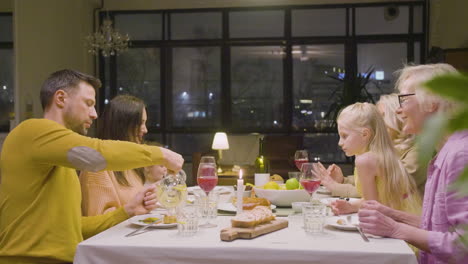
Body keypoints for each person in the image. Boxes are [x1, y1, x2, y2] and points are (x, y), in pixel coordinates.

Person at [0, 69, 183, 264]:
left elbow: (76, 227)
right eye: (88, 104)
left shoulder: (63, 161)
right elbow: (97, 152)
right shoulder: (31, 130)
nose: (94, 114)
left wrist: (127, 211)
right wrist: (160, 154)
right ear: (61, 98)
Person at [358, 64, 468, 263]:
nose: (399, 110)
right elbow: (438, 227)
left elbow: (463, 246)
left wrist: (394, 228)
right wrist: (392, 215)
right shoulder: (448, 151)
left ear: (431, 102)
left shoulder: (461, 154)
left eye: (404, 99)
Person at [320, 102, 421, 216]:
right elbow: (378, 200)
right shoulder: (377, 155)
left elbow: (372, 210)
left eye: (344, 136)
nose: (340, 143)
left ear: (365, 134)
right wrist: (351, 206)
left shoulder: (365, 161)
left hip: (402, 223)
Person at [80, 95, 163, 216]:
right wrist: (133, 210)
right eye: (140, 123)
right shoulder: (97, 167)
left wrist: (146, 203)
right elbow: (99, 220)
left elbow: (135, 206)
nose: (145, 130)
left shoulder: (130, 161)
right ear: (122, 126)